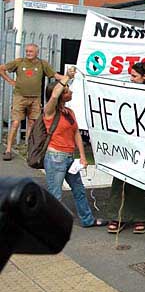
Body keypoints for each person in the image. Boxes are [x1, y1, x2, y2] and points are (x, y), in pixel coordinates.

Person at [106, 62, 145, 234]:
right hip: (127, 143)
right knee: (121, 181)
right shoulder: (126, 93)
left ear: (144, 77)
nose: (130, 79)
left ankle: (143, 217)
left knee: (143, 181)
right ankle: (118, 216)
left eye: (134, 76)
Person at [42, 76, 107, 228]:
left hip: (69, 158)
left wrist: (83, 156)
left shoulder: (69, 112)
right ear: (60, 95)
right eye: (66, 91)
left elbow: (76, 133)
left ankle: (87, 220)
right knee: (55, 195)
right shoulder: (49, 111)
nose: (70, 92)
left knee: (79, 190)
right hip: (55, 157)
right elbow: (54, 95)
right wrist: (67, 78)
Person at [0, 43, 65, 160]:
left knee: (32, 123)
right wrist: (10, 81)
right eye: (27, 51)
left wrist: (67, 77)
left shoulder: (41, 64)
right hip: (20, 97)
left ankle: (29, 149)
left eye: (31, 51)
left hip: (35, 98)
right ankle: (8, 149)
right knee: (15, 123)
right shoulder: (19, 62)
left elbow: (54, 75)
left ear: (36, 52)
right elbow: (2, 69)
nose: (28, 53)